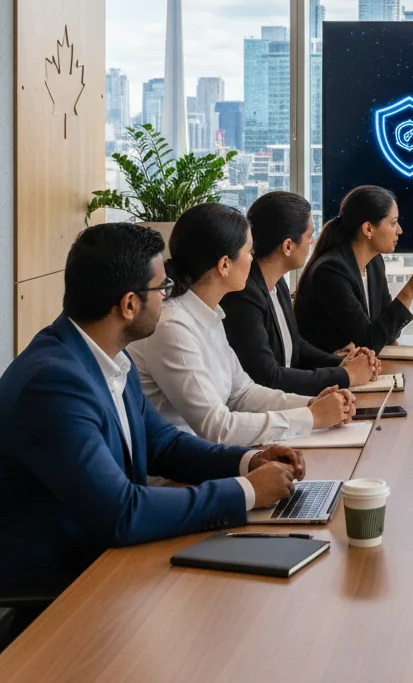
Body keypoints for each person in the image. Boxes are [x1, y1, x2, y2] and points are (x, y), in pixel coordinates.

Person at [0, 223, 305, 599]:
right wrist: (245, 492)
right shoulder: (52, 385)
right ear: (129, 304)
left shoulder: (109, 357)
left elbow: (163, 445)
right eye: (161, 288)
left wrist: (248, 461)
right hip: (61, 588)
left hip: (110, 562)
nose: (168, 297)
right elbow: (122, 512)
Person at [129, 203, 356, 447]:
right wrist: (312, 417)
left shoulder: (208, 313)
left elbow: (242, 393)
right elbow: (216, 428)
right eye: (249, 251)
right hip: (177, 474)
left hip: (207, 460)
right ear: (224, 264)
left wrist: (310, 405)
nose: (253, 259)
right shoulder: (172, 326)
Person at [221, 191, 381, 396]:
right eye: (308, 235)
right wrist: (346, 375)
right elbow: (268, 377)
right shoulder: (244, 296)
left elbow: (295, 344)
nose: (312, 241)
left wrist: (343, 363)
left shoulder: (278, 283)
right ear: (288, 246)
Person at [294, 185, 413, 354]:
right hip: (328, 374)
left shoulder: (374, 263)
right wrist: (410, 290)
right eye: (393, 223)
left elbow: (387, 331)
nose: (399, 230)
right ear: (368, 229)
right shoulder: (331, 271)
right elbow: (369, 342)